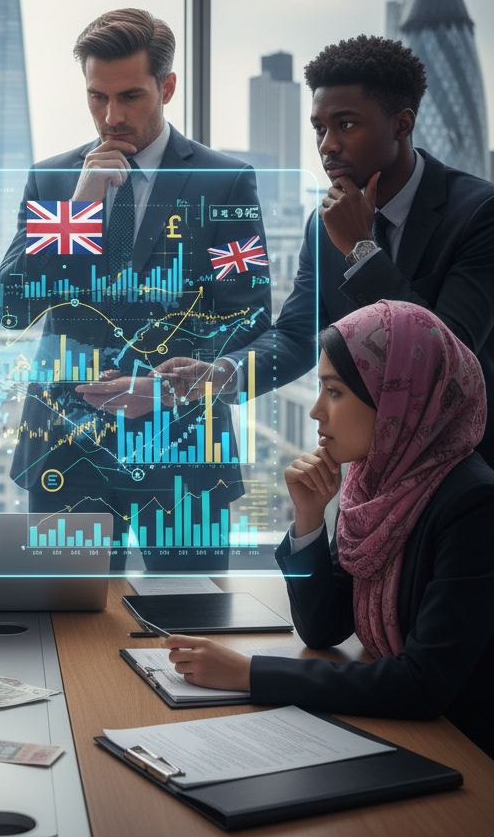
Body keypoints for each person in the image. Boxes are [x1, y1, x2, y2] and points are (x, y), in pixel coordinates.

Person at [0, 9, 271, 563]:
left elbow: (249, 320)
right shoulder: (54, 180)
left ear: (167, 87)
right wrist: (75, 214)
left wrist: (168, 391)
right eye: (98, 97)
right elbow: (9, 307)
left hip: (185, 455)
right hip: (67, 454)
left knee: (193, 625)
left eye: (130, 97)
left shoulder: (226, 181)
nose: (111, 116)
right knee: (66, 634)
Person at [163, 300, 494, 758]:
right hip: (408, 732)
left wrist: (248, 673)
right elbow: (324, 628)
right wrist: (308, 517)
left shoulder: (473, 504)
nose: (317, 411)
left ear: (398, 396)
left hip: (464, 749)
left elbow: (423, 683)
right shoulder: (374, 484)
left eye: (334, 392)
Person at [159, 35, 494, 467]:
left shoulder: (478, 213)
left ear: (402, 124)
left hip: (462, 468)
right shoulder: (323, 224)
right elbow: (299, 334)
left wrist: (361, 250)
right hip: (370, 467)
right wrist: (223, 373)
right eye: (320, 127)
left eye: (346, 124)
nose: (327, 144)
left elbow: (447, 362)